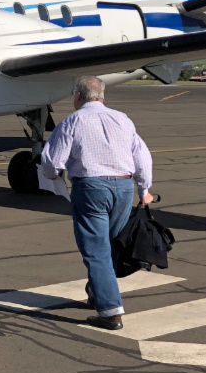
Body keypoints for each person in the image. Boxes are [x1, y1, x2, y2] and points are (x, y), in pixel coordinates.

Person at [41, 75, 154, 332]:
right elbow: (142, 156)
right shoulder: (122, 119)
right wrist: (144, 189)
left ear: (78, 96)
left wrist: (51, 176)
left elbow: (52, 162)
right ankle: (96, 292)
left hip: (91, 187)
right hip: (124, 187)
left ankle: (110, 310)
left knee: (95, 250)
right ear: (102, 96)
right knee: (111, 244)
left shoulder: (73, 120)